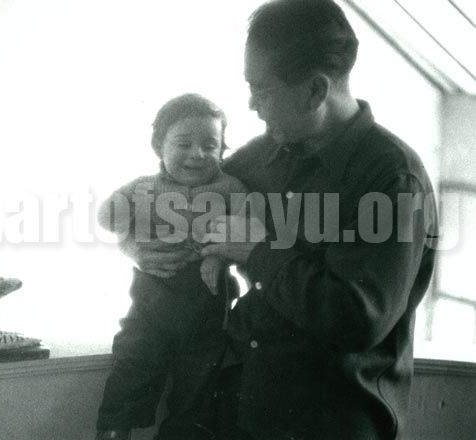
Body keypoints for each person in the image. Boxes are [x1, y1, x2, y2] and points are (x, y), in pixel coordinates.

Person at [127, 1, 438, 439]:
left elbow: (359, 320)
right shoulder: (261, 154)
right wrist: (134, 247)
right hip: (236, 411)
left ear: (315, 91)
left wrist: (257, 251)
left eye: (262, 90)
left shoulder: (392, 177)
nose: (252, 104)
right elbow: (177, 197)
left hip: (329, 426)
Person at [95, 93, 248, 440]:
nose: (198, 153)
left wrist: (218, 256)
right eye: (184, 143)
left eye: (210, 145)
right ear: (159, 146)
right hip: (151, 301)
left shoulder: (229, 187)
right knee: (131, 369)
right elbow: (105, 217)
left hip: (206, 304)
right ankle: (114, 433)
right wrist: (130, 241)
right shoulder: (144, 187)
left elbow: (247, 227)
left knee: (198, 393)